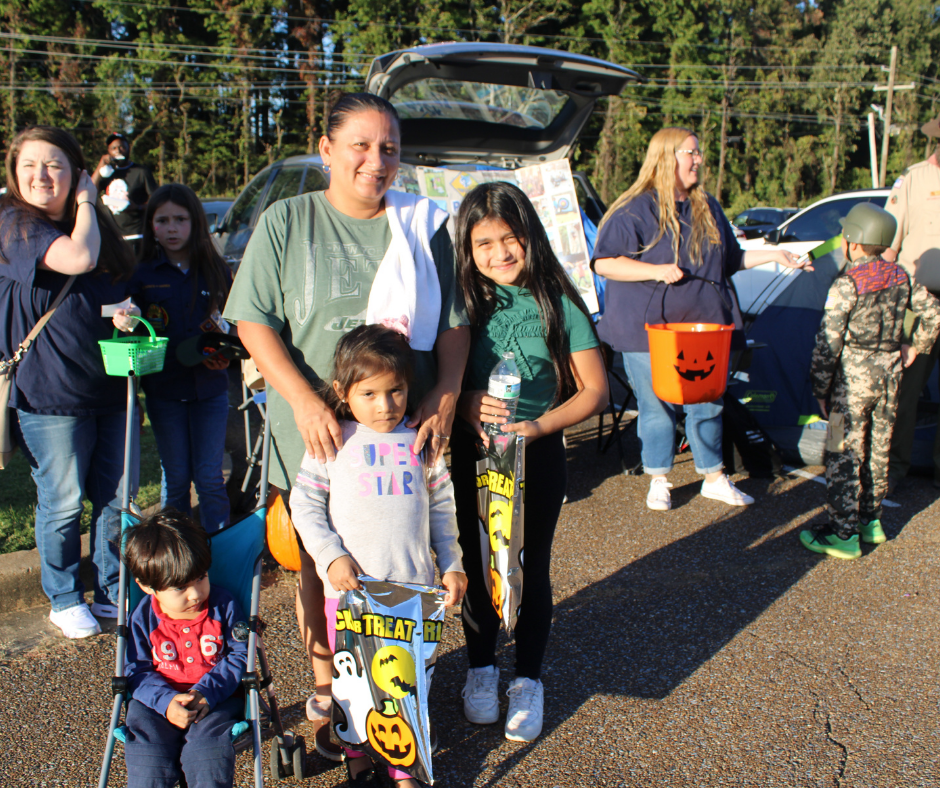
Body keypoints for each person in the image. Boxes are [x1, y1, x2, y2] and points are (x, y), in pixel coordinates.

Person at [222, 93, 469, 758]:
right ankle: (331, 690)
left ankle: (397, 693)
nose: (376, 160)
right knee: (318, 560)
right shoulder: (287, 221)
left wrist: (444, 394)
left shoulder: (424, 226)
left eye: (388, 147)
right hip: (316, 434)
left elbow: (453, 325)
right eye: (360, 144)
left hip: (400, 435)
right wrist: (304, 398)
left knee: (403, 552)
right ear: (326, 149)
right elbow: (253, 322)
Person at [450, 181, 608, 742]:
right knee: (475, 565)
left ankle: (529, 681)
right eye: (483, 243)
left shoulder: (558, 301)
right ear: (467, 251)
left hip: (535, 460)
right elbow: (439, 376)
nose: (498, 254)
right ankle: (481, 669)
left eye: (509, 238)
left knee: (527, 565)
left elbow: (595, 391)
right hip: (467, 457)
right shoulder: (458, 300)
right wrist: (466, 406)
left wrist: (537, 427)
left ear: (530, 237)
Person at [591, 127, 811, 511]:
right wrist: (655, 270)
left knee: (708, 402)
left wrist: (776, 257)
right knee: (657, 404)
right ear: (666, 157)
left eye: (699, 152)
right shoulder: (633, 209)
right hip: (651, 331)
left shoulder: (707, 205)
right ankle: (659, 477)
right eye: (691, 153)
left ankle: (713, 475)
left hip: (706, 328)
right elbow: (606, 262)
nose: (699, 160)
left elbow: (731, 260)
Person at [289, 324, 466, 788]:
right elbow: (304, 505)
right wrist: (329, 556)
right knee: (353, 690)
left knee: (405, 686)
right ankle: (358, 762)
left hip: (413, 594)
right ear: (343, 393)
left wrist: (451, 563)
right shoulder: (332, 442)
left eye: (396, 391)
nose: (385, 405)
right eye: (370, 394)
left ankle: (403, 767)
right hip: (349, 595)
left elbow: (442, 510)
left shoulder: (421, 441)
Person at [0, 125, 136, 639]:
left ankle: (109, 588)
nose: (41, 175)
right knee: (62, 499)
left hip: (111, 388)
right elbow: (76, 260)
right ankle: (62, 596)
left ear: (75, 170)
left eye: (55, 164)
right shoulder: (13, 224)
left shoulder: (95, 227)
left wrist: (125, 313)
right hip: (49, 396)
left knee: (115, 498)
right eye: (30, 165)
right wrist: (84, 199)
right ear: (14, 175)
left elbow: (110, 285)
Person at [799, 204, 940, 559]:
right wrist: (915, 348)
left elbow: (827, 343)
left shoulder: (846, 285)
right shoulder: (901, 277)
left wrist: (820, 389)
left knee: (839, 452)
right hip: (890, 377)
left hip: (848, 383)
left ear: (854, 242)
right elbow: (934, 314)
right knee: (879, 450)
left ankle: (841, 532)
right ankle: (870, 521)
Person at [116, 184, 234, 533]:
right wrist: (126, 319)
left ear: (195, 223)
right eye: (162, 220)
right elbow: (131, 324)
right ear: (150, 224)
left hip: (210, 391)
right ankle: (177, 557)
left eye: (180, 219)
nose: (171, 228)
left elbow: (233, 325)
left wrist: (227, 351)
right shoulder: (141, 275)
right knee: (178, 478)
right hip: (164, 391)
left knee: (210, 477)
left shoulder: (216, 269)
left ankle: (219, 554)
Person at [122, 509, 248, 788]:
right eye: (180, 588)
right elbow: (135, 670)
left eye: (201, 577)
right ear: (146, 586)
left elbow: (241, 654)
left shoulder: (222, 605)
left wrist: (206, 692)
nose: (195, 594)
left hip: (214, 699)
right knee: (148, 759)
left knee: (206, 756)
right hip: (155, 703)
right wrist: (165, 701)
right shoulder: (143, 617)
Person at [884, 114, 940, 493]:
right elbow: (889, 243)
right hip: (918, 306)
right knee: (905, 390)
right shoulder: (914, 179)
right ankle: (892, 472)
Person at [92, 131, 157, 249]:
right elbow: (90, 191)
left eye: (122, 147)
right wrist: (100, 165)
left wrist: (137, 207)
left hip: (136, 235)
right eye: (113, 148)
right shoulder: (107, 173)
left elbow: (157, 200)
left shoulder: (141, 171)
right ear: (109, 151)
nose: (118, 150)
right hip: (113, 235)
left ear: (128, 148)